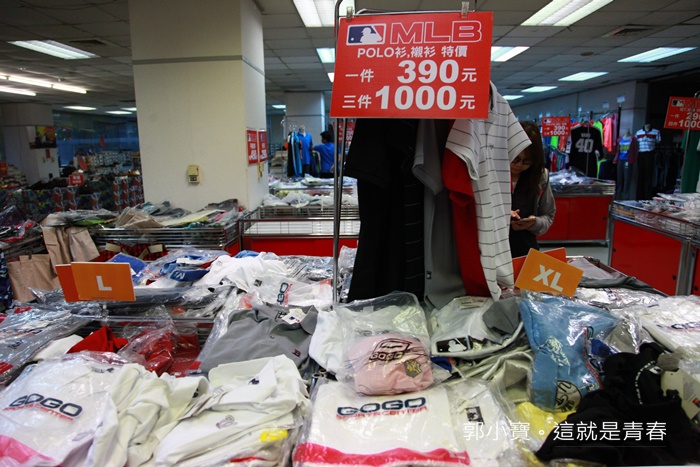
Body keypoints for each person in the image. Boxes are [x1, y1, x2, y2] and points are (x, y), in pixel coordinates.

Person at [509, 121, 556, 258]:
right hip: (493, 253)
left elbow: (548, 215)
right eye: (515, 159)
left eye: (527, 161)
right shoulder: (491, 173)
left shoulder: (540, 176)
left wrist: (533, 223)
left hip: (526, 251)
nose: (519, 165)